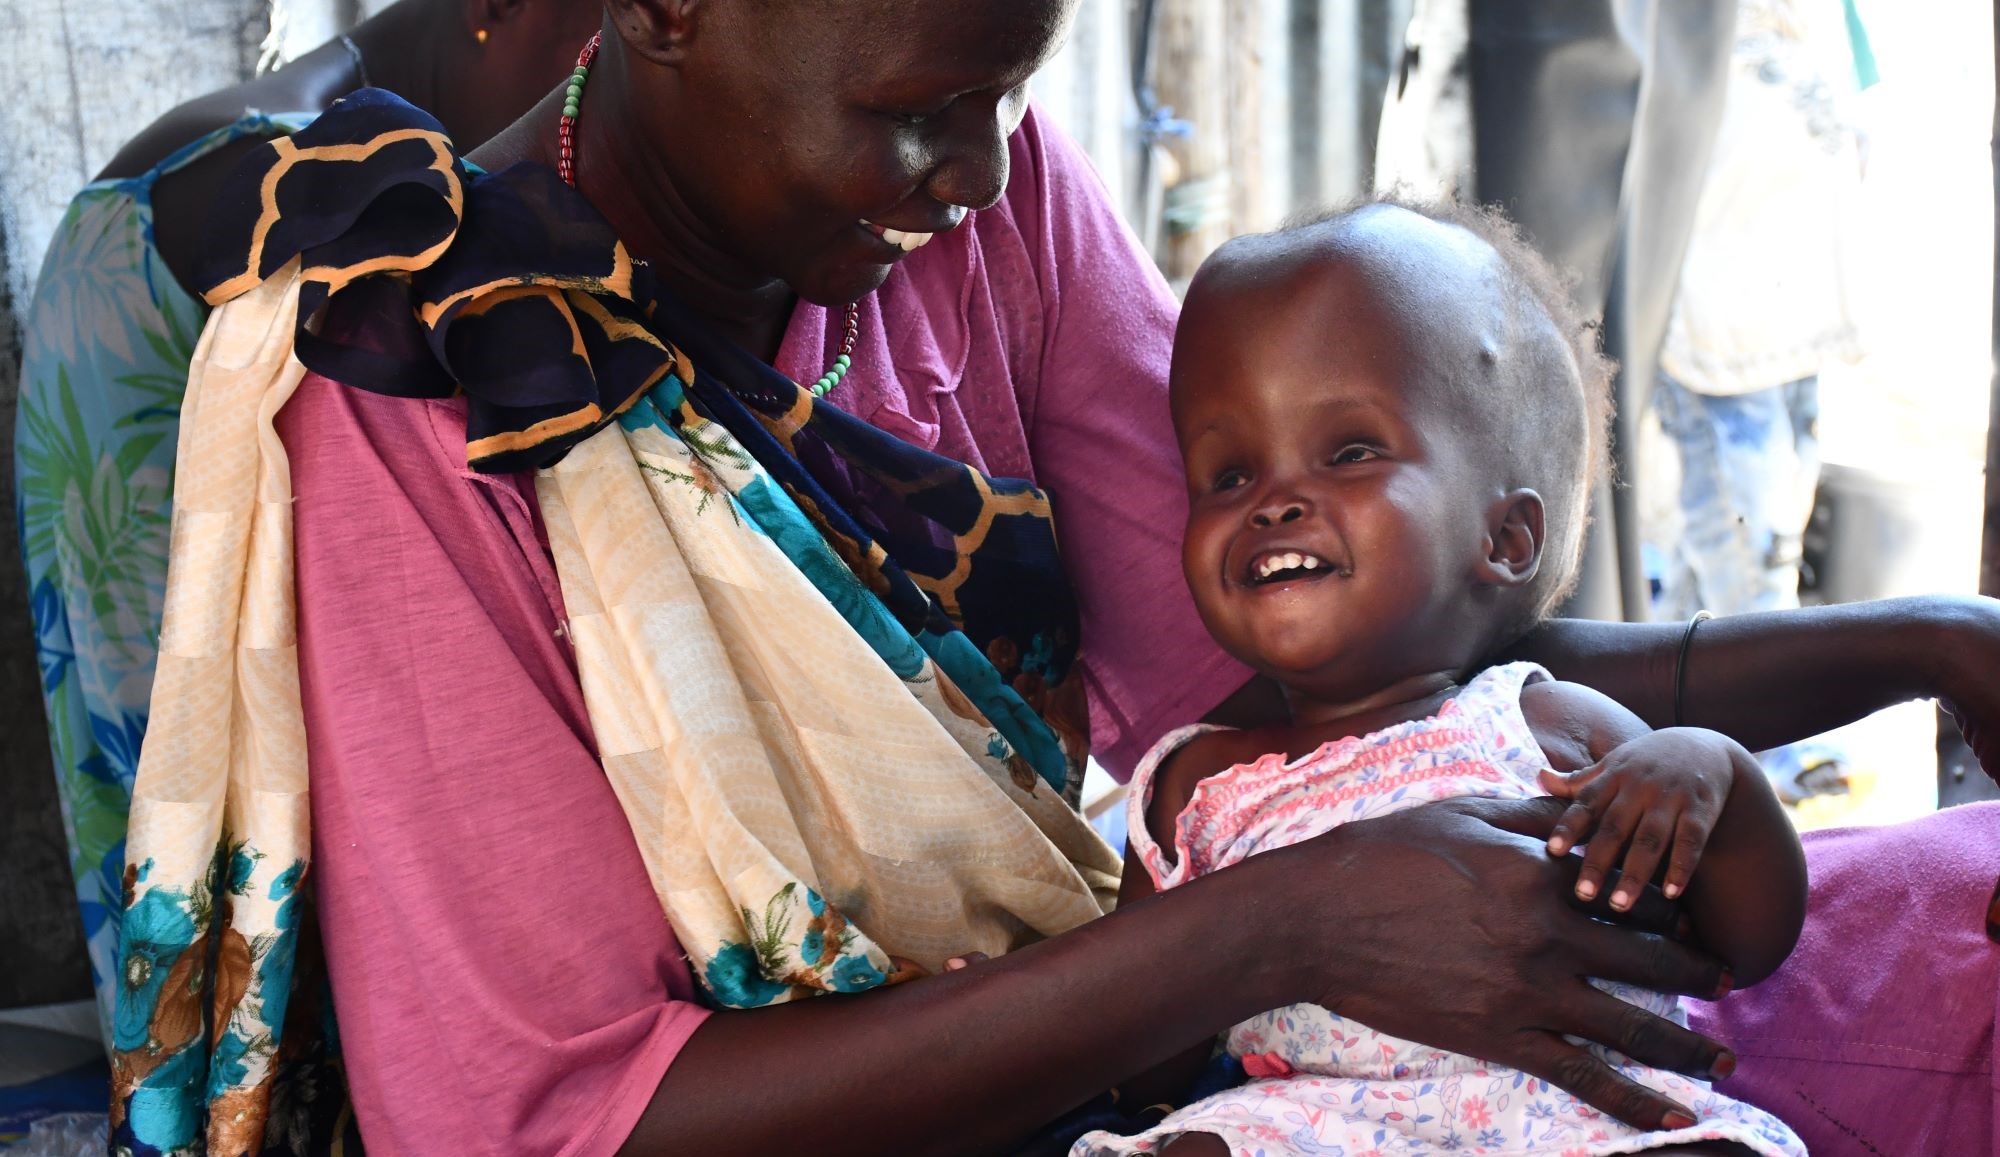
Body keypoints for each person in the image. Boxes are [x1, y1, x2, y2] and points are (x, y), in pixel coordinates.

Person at [105, 1, 2000, 1154]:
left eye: (1015, 85)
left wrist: (1923, 643)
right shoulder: (411, 391)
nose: (978, 167)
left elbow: (1345, 660)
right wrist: (1280, 931)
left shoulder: (971, 202)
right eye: (917, 106)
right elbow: (550, 1120)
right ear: (666, 7)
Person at [1075, 199, 1806, 1157]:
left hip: (1567, 1115)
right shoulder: (1189, 788)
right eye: (1228, 475)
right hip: (1308, 1125)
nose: (1273, 503)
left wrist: (1714, 776)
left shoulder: (1548, 724)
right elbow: (1146, 1067)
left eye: (1349, 452)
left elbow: (1750, 942)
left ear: (1503, 539)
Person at [10, 0, 602, 1049]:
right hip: (163, 603)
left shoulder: (270, 148)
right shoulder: (288, 177)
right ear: (495, 10)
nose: (594, 107)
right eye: (594, 56)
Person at [1645, 0, 1873, 802]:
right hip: (1714, 329)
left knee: (1734, 545)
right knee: (1751, 550)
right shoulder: (1668, 16)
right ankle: (1778, 750)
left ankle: (1652, 706)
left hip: (1791, 315)